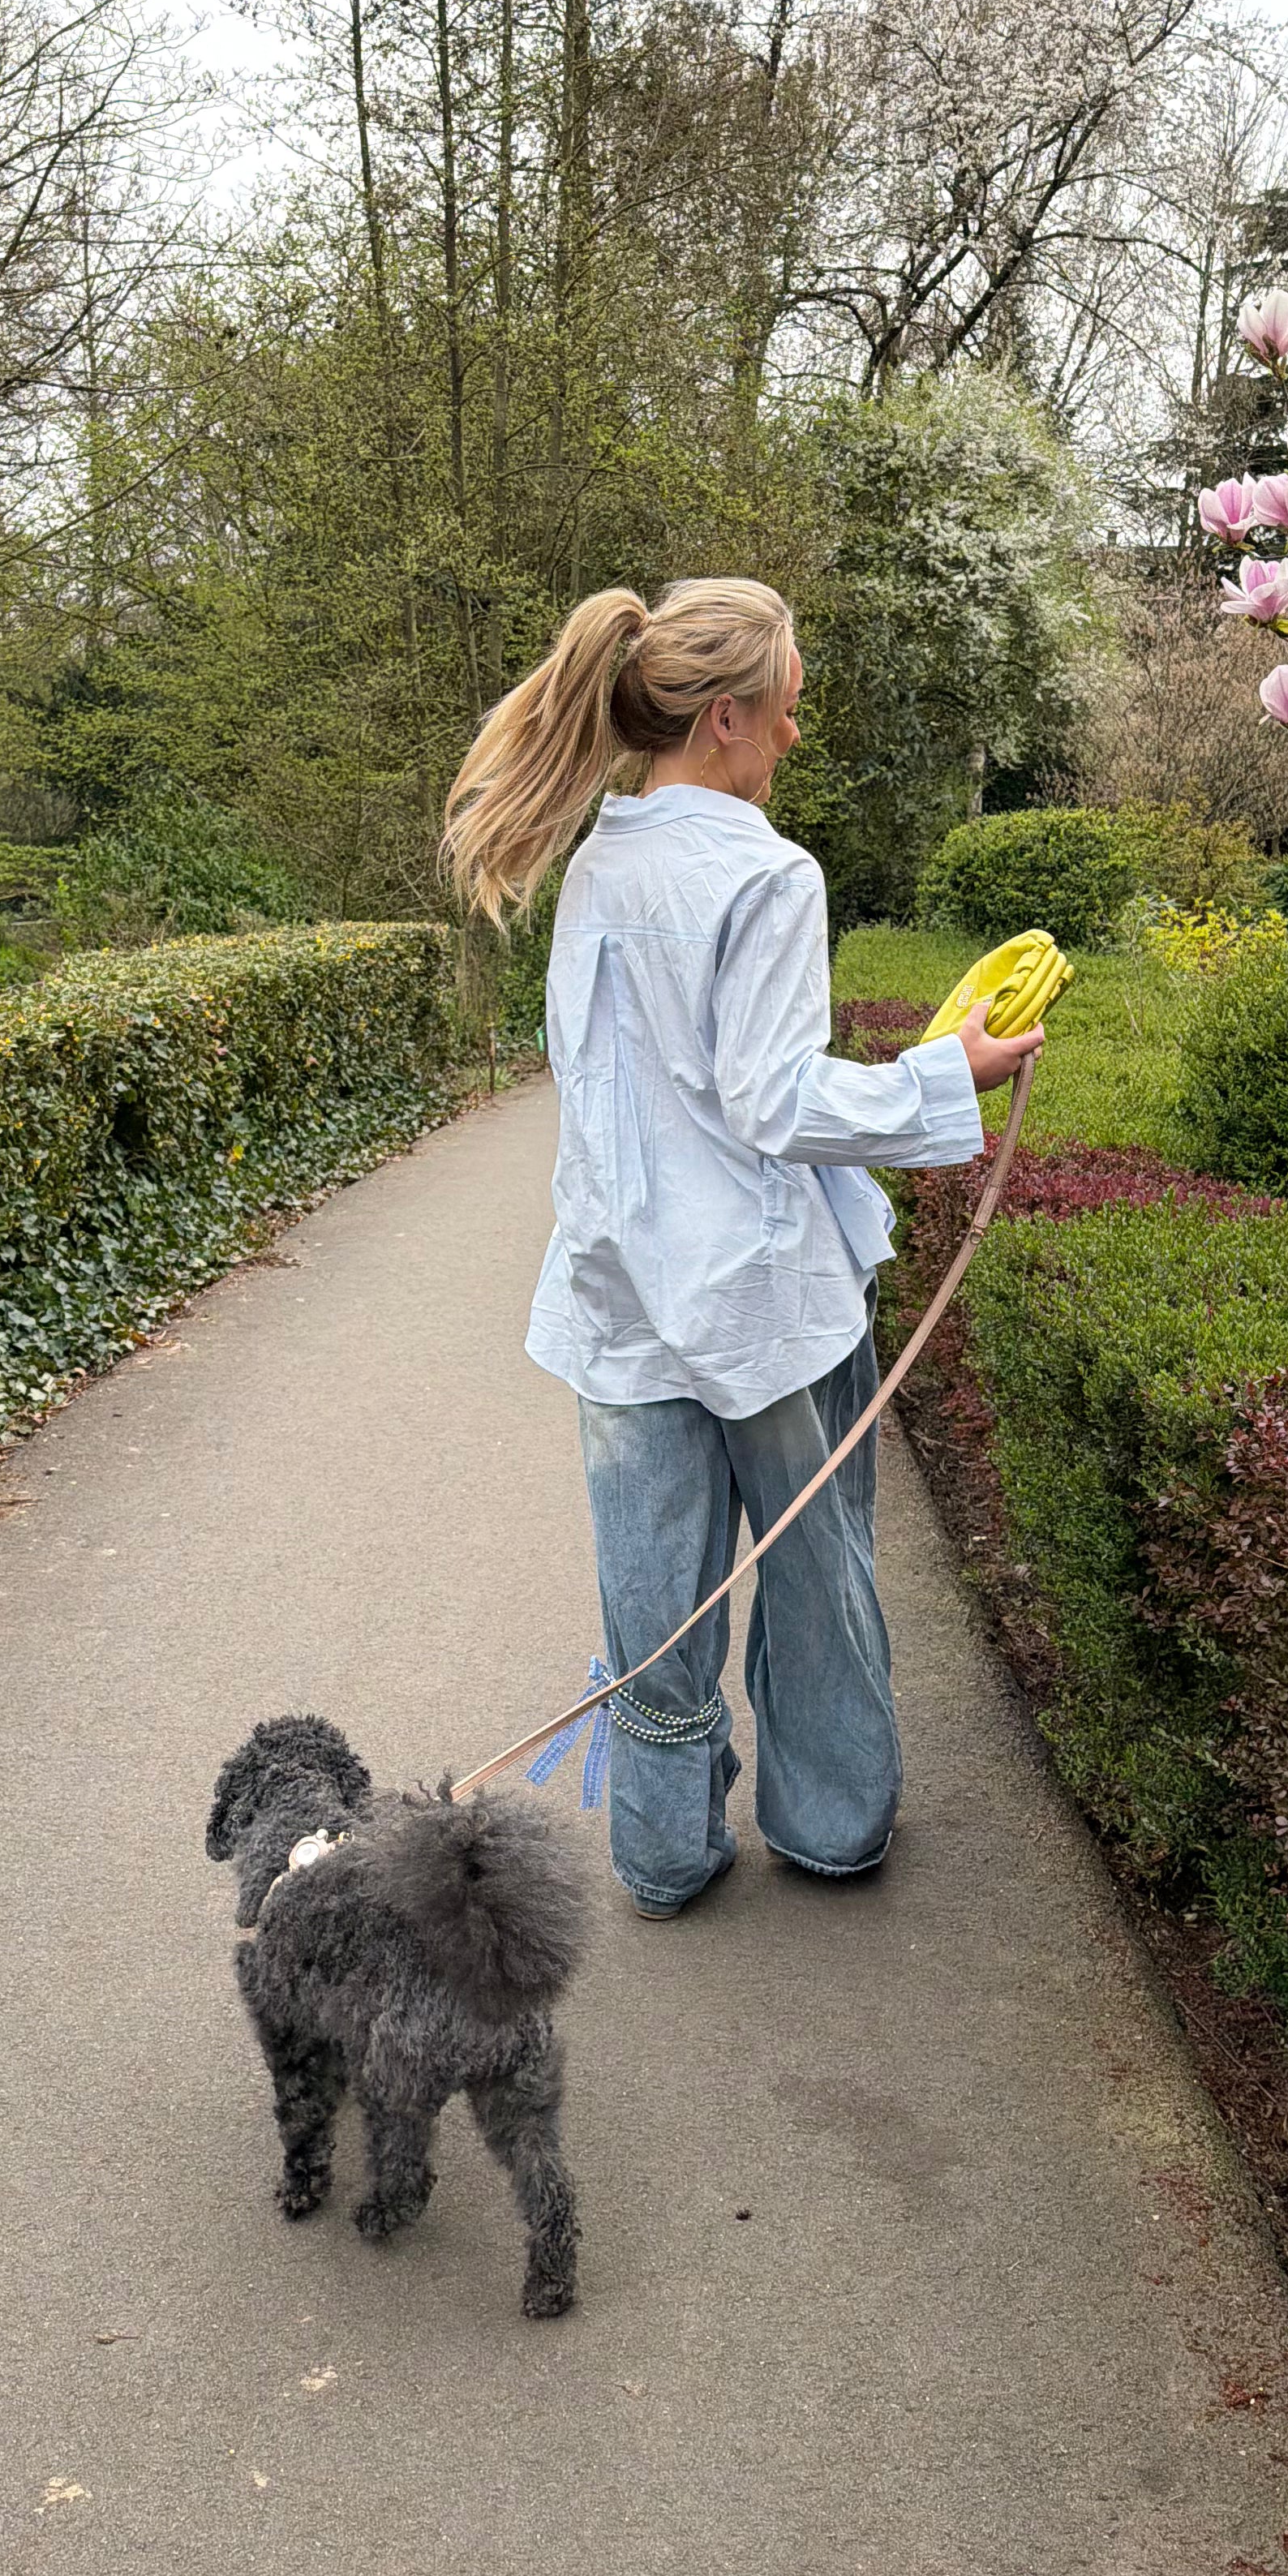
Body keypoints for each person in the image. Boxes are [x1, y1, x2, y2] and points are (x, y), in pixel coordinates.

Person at [442, 575, 1042, 1917]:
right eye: (783, 717)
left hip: (619, 1298)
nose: (790, 741)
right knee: (816, 1569)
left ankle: (661, 1855)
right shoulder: (768, 872)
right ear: (724, 719)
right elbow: (776, 1097)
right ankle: (830, 1828)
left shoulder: (597, 863)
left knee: (654, 1599)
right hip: (769, 1303)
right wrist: (947, 1075)